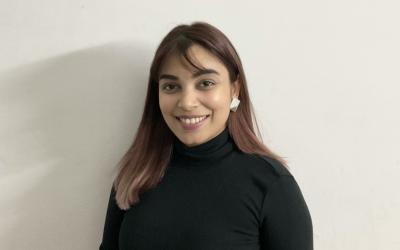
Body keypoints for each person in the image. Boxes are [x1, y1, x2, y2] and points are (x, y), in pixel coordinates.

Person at [99, 21, 313, 250]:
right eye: (171, 86)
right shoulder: (135, 176)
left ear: (235, 88)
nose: (187, 102)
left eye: (206, 83)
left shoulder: (271, 185)